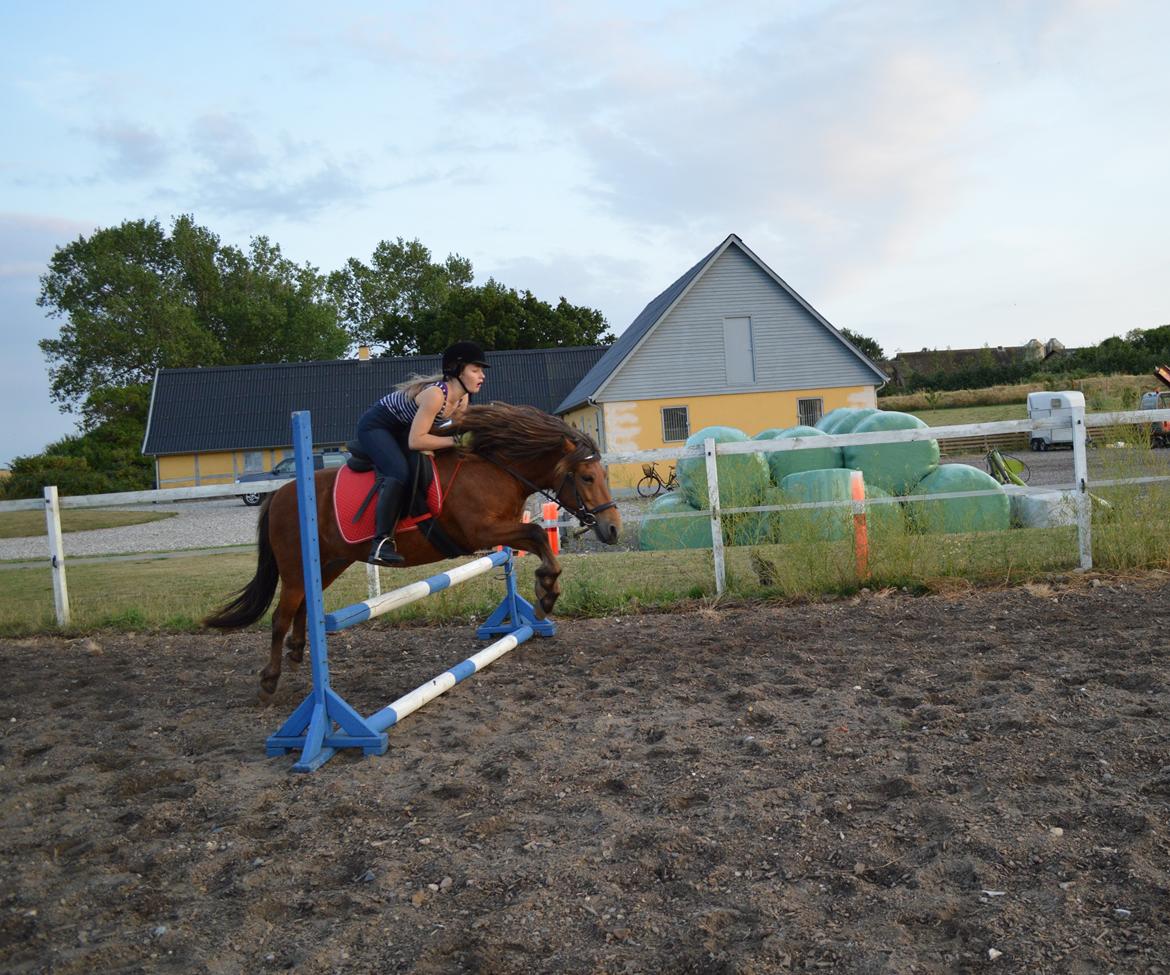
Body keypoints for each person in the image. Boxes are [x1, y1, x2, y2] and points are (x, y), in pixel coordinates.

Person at [355, 340, 489, 565]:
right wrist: (456, 441)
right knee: (399, 472)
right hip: (377, 427)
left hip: (404, 430)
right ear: (456, 370)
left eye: (482, 371)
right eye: (475, 370)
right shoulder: (436, 395)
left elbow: (453, 431)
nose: (482, 376)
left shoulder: (463, 398)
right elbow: (416, 441)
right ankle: (380, 543)